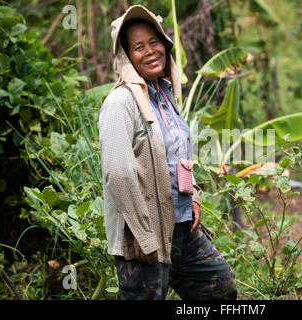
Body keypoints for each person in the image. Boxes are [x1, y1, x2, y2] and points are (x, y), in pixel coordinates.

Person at [98, 5, 237, 300]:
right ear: (125, 57)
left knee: (219, 288)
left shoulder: (164, 95)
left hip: (183, 228)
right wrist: (144, 234)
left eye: (154, 42)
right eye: (138, 47)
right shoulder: (120, 103)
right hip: (144, 237)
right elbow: (119, 173)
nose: (150, 51)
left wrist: (194, 195)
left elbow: (177, 154)